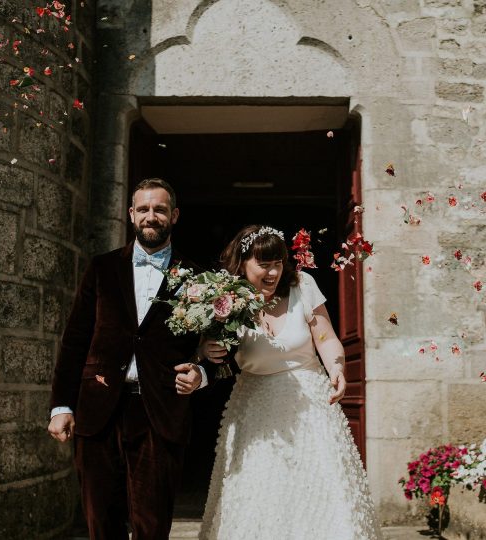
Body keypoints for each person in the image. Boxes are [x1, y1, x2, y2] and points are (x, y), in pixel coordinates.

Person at [47, 178, 216, 540]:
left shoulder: (200, 279)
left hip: (160, 412)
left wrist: (202, 373)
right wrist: (61, 405)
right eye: (143, 209)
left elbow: (221, 346)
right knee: (101, 521)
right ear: (130, 214)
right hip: (98, 410)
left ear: (174, 215)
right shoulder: (102, 268)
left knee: (152, 525)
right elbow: (75, 340)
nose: (150, 216)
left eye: (159, 209)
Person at [198, 225, 382, 539]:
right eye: (263, 264)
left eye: (278, 263)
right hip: (255, 409)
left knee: (318, 490)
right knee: (259, 492)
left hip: (309, 404)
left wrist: (337, 368)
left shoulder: (302, 285)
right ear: (243, 264)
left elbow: (325, 337)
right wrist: (206, 349)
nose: (273, 272)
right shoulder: (225, 300)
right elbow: (212, 349)